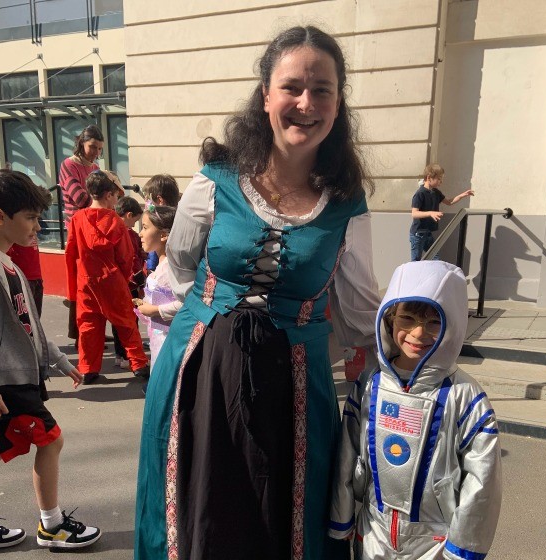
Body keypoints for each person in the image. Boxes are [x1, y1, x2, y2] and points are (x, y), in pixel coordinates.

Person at [135, 25, 381, 560]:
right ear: (266, 95)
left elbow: (360, 312)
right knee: (196, 510)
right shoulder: (218, 177)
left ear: (338, 105)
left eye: (323, 90)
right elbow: (179, 269)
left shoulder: (345, 201)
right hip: (200, 373)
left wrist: (413, 359)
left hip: (294, 380)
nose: (306, 102)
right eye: (292, 86)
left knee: (284, 520)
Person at [329, 260, 502, 559]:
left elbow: (482, 482)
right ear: (389, 321)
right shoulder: (369, 385)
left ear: (455, 323)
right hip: (374, 535)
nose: (418, 333)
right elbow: (347, 457)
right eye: (407, 319)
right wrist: (342, 518)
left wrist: (462, 547)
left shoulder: (465, 398)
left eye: (435, 322)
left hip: (435, 542)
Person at [0, 169, 101, 550]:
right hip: (5, 382)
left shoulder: (8, 262)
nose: (38, 226)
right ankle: (51, 525)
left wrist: (58, 361)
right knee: (51, 442)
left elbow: (30, 325)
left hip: (13, 379)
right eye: (31, 218)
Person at [65, 171, 149, 385]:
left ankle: (88, 368)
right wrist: (122, 277)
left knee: (88, 325)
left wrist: (74, 283)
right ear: (109, 195)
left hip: (86, 280)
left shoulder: (77, 219)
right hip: (112, 279)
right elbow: (126, 257)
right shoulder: (116, 222)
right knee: (126, 323)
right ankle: (138, 364)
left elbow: (71, 252)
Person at [58, 124, 104, 341]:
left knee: (94, 280)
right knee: (80, 282)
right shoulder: (68, 165)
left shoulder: (94, 167)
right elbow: (82, 198)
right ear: (81, 143)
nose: (96, 152)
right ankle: (79, 333)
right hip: (77, 230)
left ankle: (95, 329)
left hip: (92, 228)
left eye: (99, 148)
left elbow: (97, 198)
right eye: (92, 147)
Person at [134, 204, 180, 367]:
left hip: (170, 340)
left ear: (163, 235)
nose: (140, 233)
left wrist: (155, 310)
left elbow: (187, 303)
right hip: (158, 337)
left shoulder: (171, 268)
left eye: (145, 228)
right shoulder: (161, 264)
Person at [410, 164, 474, 261]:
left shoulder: (436, 192)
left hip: (428, 233)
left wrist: (462, 195)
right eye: (439, 179)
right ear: (429, 178)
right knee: (415, 261)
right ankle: (412, 276)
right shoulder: (420, 194)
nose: (441, 182)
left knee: (435, 259)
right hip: (418, 234)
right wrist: (430, 213)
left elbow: (449, 202)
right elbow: (414, 213)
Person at [113, 195, 147, 368]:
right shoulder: (123, 234)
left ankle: (121, 354)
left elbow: (136, 253)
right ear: (128, 214)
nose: (135, 224)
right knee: (128, 321)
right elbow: (129, 258)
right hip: (129, 282)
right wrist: (139, 278)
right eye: (135, 220)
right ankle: (126, 354)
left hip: (123, 282)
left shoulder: (128, 234)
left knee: (122, 320)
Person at [141, 174, 180, 274]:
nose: (146, 204)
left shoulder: (157, 227)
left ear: (160, 200)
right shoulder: (181, 219)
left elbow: (153, 264)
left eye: (148, 199)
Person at [7, 239, 44, 317]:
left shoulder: (32, 229)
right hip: (23, 279)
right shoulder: (15, 232)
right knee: (25, 318)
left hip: (37, 278)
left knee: (36, 317)